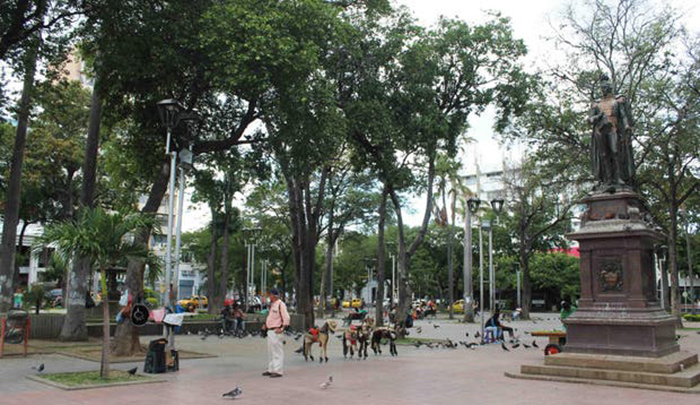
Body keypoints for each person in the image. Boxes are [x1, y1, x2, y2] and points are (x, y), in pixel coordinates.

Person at [588, 73, 635, 190]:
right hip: (600, 131)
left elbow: (623, 116)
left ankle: (619, 177)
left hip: (613, 129)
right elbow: (589, 119)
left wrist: (627, 126)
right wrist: (597, 117)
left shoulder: (616, 102)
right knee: (603, 155)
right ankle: (608, 179)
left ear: (609, 88)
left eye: (605, 88)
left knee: (615, 151)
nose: (603, 90)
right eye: (601, 88)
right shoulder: (596, 104)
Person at [262, 288, 290, 378]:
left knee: (277, 351)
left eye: (270, 295)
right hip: (270, 331)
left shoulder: (280, 304)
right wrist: (265, 325)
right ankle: (271, 369)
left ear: (274, 295)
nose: (269, 297)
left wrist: (282, 328)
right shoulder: (272, 305)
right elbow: (271, 317)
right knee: (271, 351)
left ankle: (278, 371)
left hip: (276, 330)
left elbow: (286, 317)